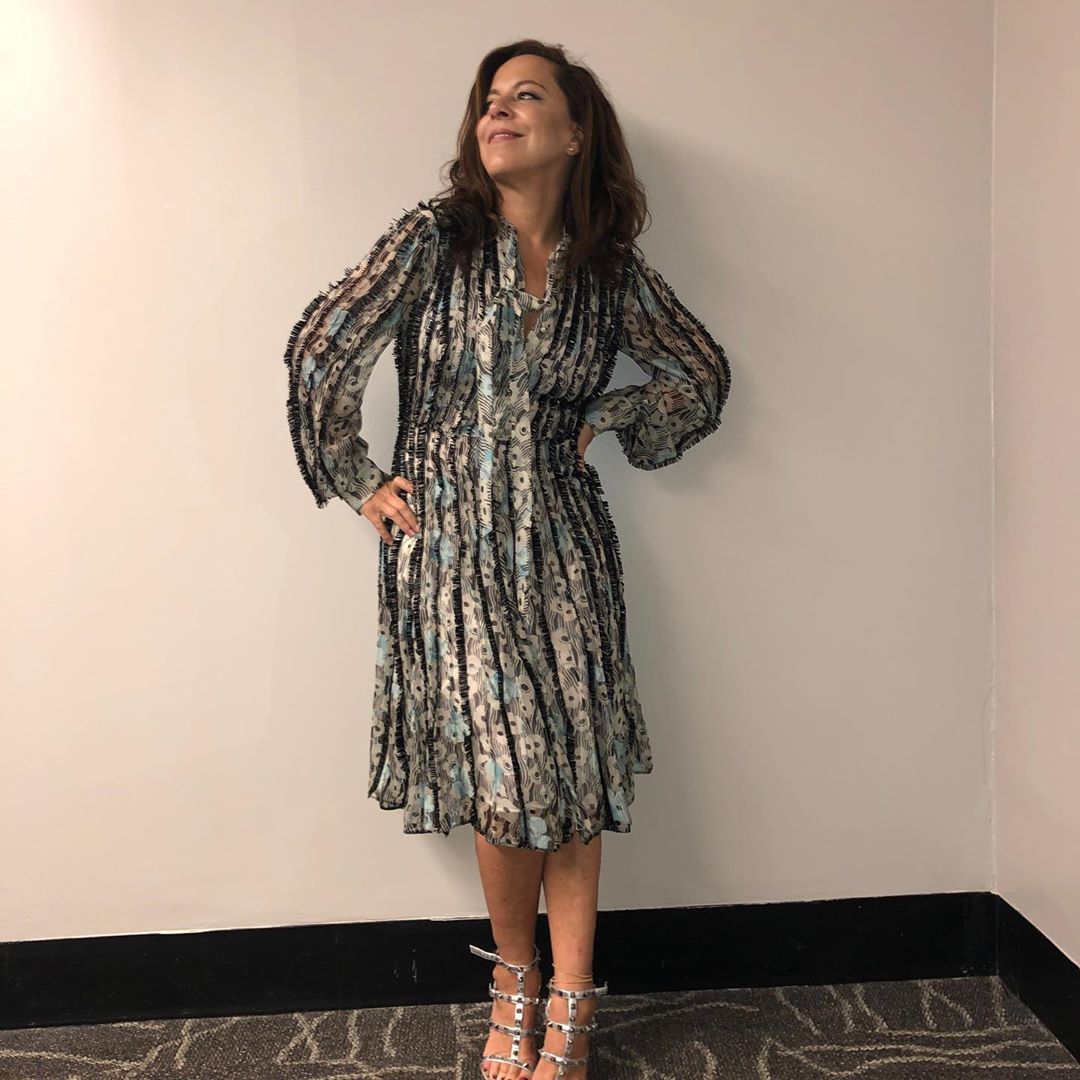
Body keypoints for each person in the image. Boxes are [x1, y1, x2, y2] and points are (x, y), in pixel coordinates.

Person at [283, 38, 731, 1080]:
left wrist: (609, 415)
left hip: (566, 544)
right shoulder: (433, 240)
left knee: (569, 764)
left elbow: (699, 376)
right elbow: (321, 349)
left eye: (527, 96)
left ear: (575, 133)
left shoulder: (608, 272)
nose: (499, 111)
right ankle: (514, 985)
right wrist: (359, 478)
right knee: (505, 773)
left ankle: (572, 1002)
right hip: (450, 554)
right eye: (490, 98)